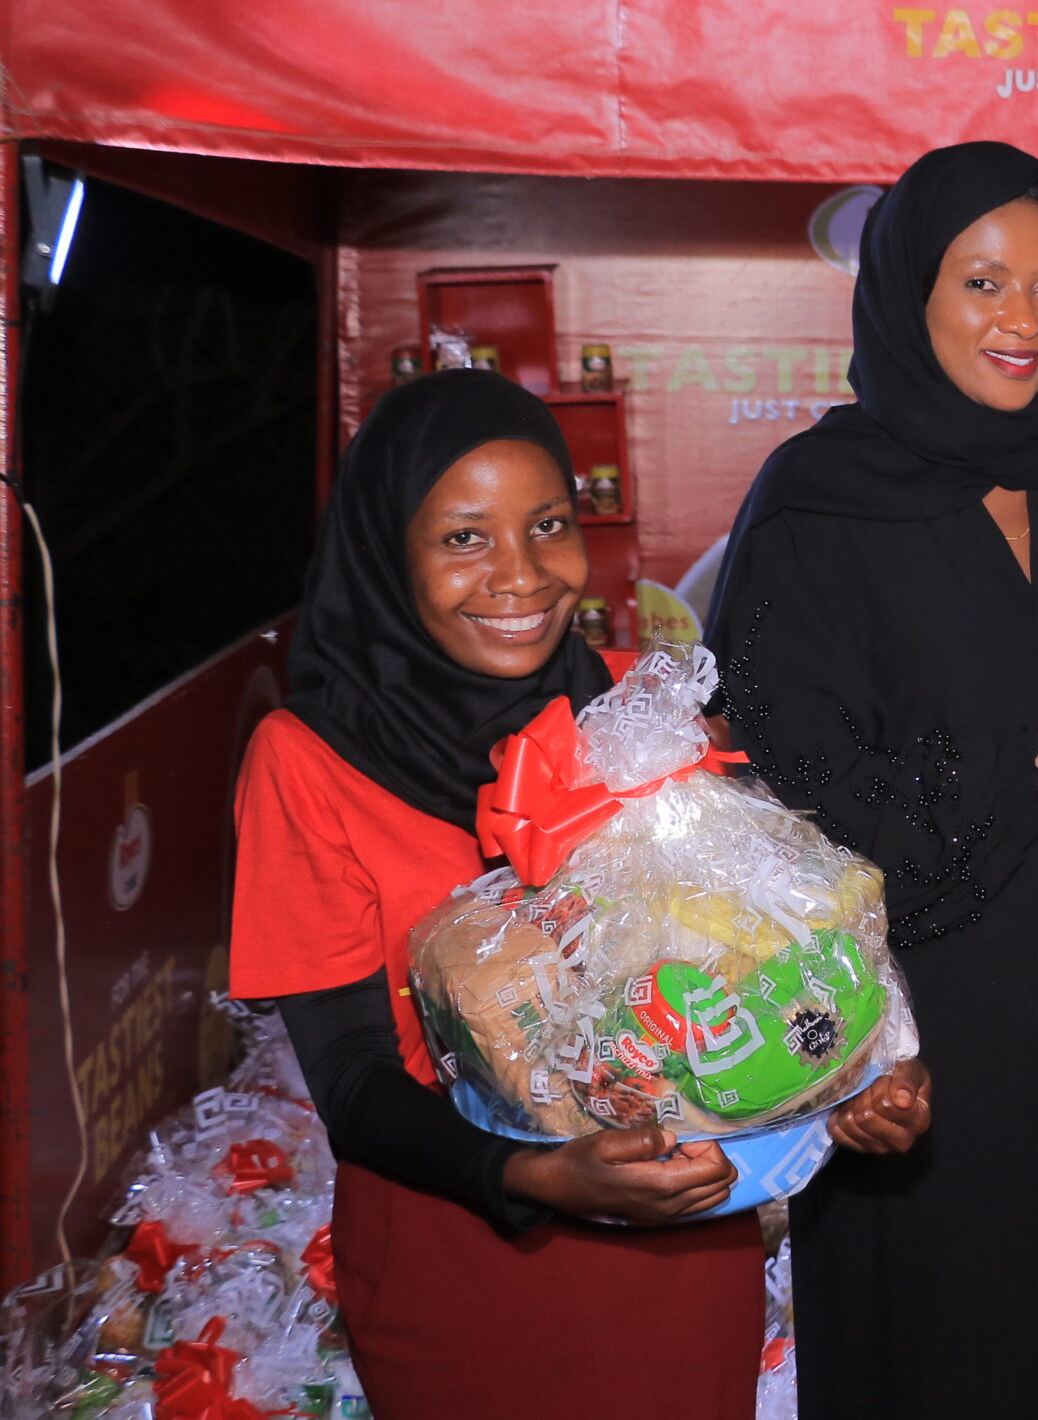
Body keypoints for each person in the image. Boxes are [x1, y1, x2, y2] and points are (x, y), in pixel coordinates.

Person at [229, 370, 925, 1419]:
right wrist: (536, 1178)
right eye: (465, 537)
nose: (521, 576)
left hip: (680, 1239)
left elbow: (758, 951)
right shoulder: (308, 761)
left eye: (547, 526)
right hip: (462, 1254)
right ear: (386, 553)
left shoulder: (636, 711)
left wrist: (853, 1074)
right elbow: (351, 1081)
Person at [706, 141, 1038, 1420]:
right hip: (920, 1066)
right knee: (947, 1362)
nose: (1025, 322)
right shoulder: (814, 507)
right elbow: (804, 827)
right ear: (909, 292)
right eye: (986, 284)